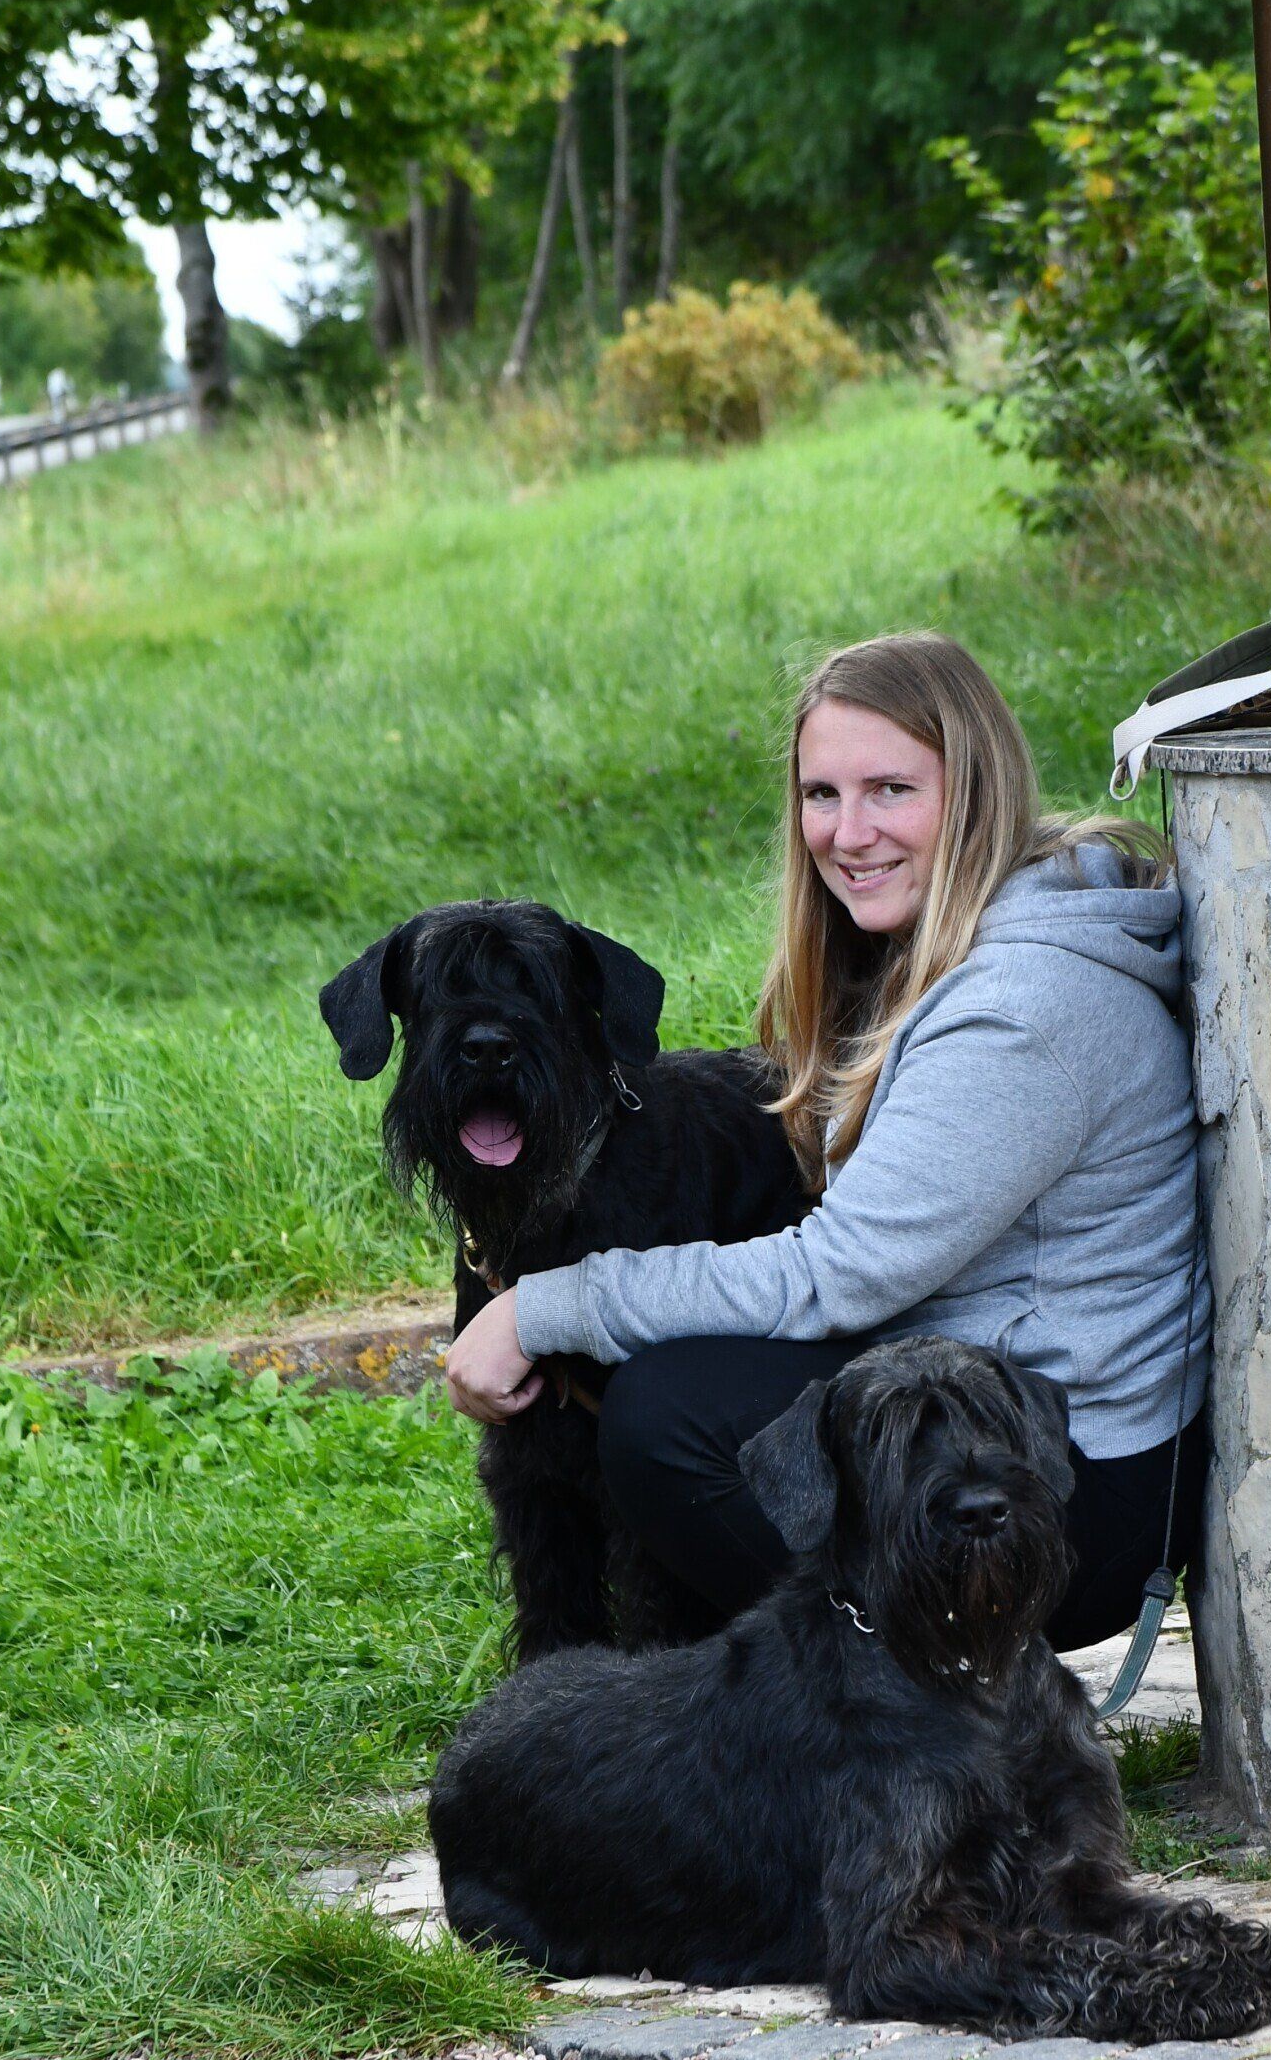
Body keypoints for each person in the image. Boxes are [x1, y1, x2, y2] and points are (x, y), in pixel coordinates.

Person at [443, 630, 1209, 1653]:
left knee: (669, 1418)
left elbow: (838, 1274)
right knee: (699, 1371)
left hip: (1066, 1491)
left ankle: (879, 1690)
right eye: (821, 794)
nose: (849, 833)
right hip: (1002, 1411)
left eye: (892, 789)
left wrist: (545, 1306)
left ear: (975, 791)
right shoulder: (946, 945)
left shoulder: (1022, 1009)